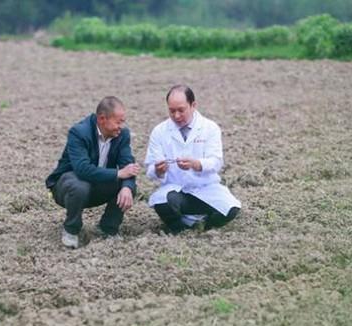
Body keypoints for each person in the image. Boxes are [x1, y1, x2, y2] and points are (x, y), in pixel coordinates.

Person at [144, 85, 240, 234]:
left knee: (231, 209)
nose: (176, 116)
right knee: (163, 203)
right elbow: (150, 169)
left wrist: (197, 164)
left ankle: (205, 225)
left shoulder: (210, 128)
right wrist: (158, 170)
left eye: (181, 110)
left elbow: (216, 162)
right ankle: (182, 229)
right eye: (172, 111)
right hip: (176, 191)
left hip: (205, 188)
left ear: (193, 105)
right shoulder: (159, 131)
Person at [46, 96, 140, 248]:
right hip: (67, 188)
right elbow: (82, 169)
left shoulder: (122, 135)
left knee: (128, 186)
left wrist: (127, 187)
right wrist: (117, 173)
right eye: (118, 122)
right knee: (79, 185)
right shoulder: (79, 132)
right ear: (102, 119)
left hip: (96, 187)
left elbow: (128, 166)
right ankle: (71, 229)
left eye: (123, 122)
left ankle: (108, 228)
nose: (121, 126)